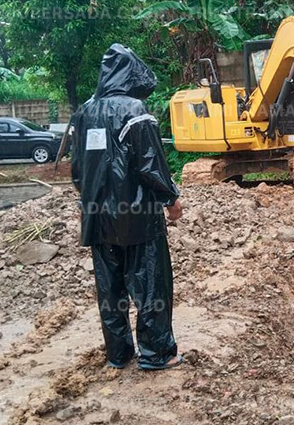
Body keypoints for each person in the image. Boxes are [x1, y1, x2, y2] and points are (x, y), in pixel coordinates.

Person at [71, 44, 184, 371]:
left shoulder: (84, 113)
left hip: (98, 219)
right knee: (150, 285)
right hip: (137, 220)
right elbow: (150, 165)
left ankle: (119, 354)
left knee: (111, 290)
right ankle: (158, 353)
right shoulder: (135, 111)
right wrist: (171, 198)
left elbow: (78, 170)